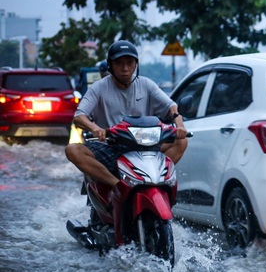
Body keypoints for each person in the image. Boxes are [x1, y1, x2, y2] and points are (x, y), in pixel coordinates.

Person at [66, 40, 188, 194]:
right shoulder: (99, 87)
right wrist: (95, 129)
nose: (125, 68)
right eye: (119, 63)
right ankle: (118, 186)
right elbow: (79, 117)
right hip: (111, 146)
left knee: (182, 141)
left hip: (145, 145)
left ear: (136, 64)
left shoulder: (146, 85)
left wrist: (180, 125)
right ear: (110, 65)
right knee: (72, 150)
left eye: (129, 63)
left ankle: (157, 181)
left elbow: (172, 107)